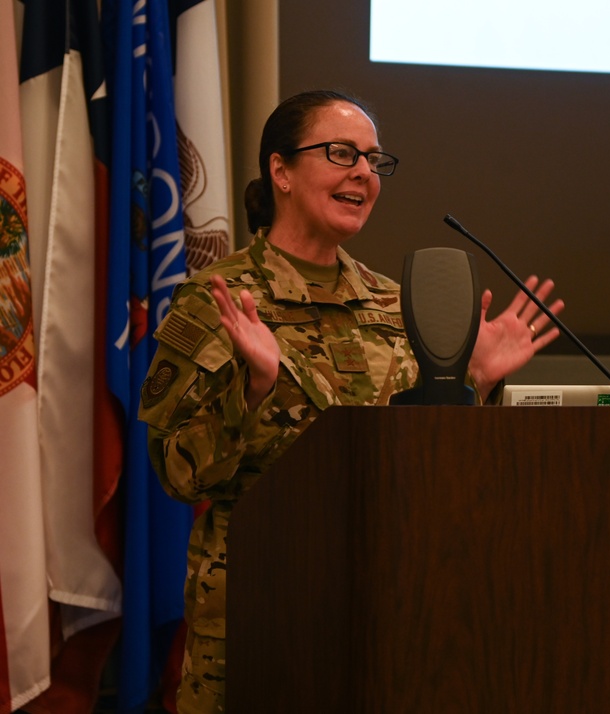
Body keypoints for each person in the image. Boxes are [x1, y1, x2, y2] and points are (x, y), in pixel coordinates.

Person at [137, 89, 563, 713]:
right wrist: (251, 390)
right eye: (341, 153)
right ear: (280, 171)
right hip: (260, 614)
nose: (364, 172)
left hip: (388, 609)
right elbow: (178, 474)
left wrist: (473, 384)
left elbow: (427, 469)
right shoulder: (219, 301)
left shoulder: (397, 303)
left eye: (373, 160)